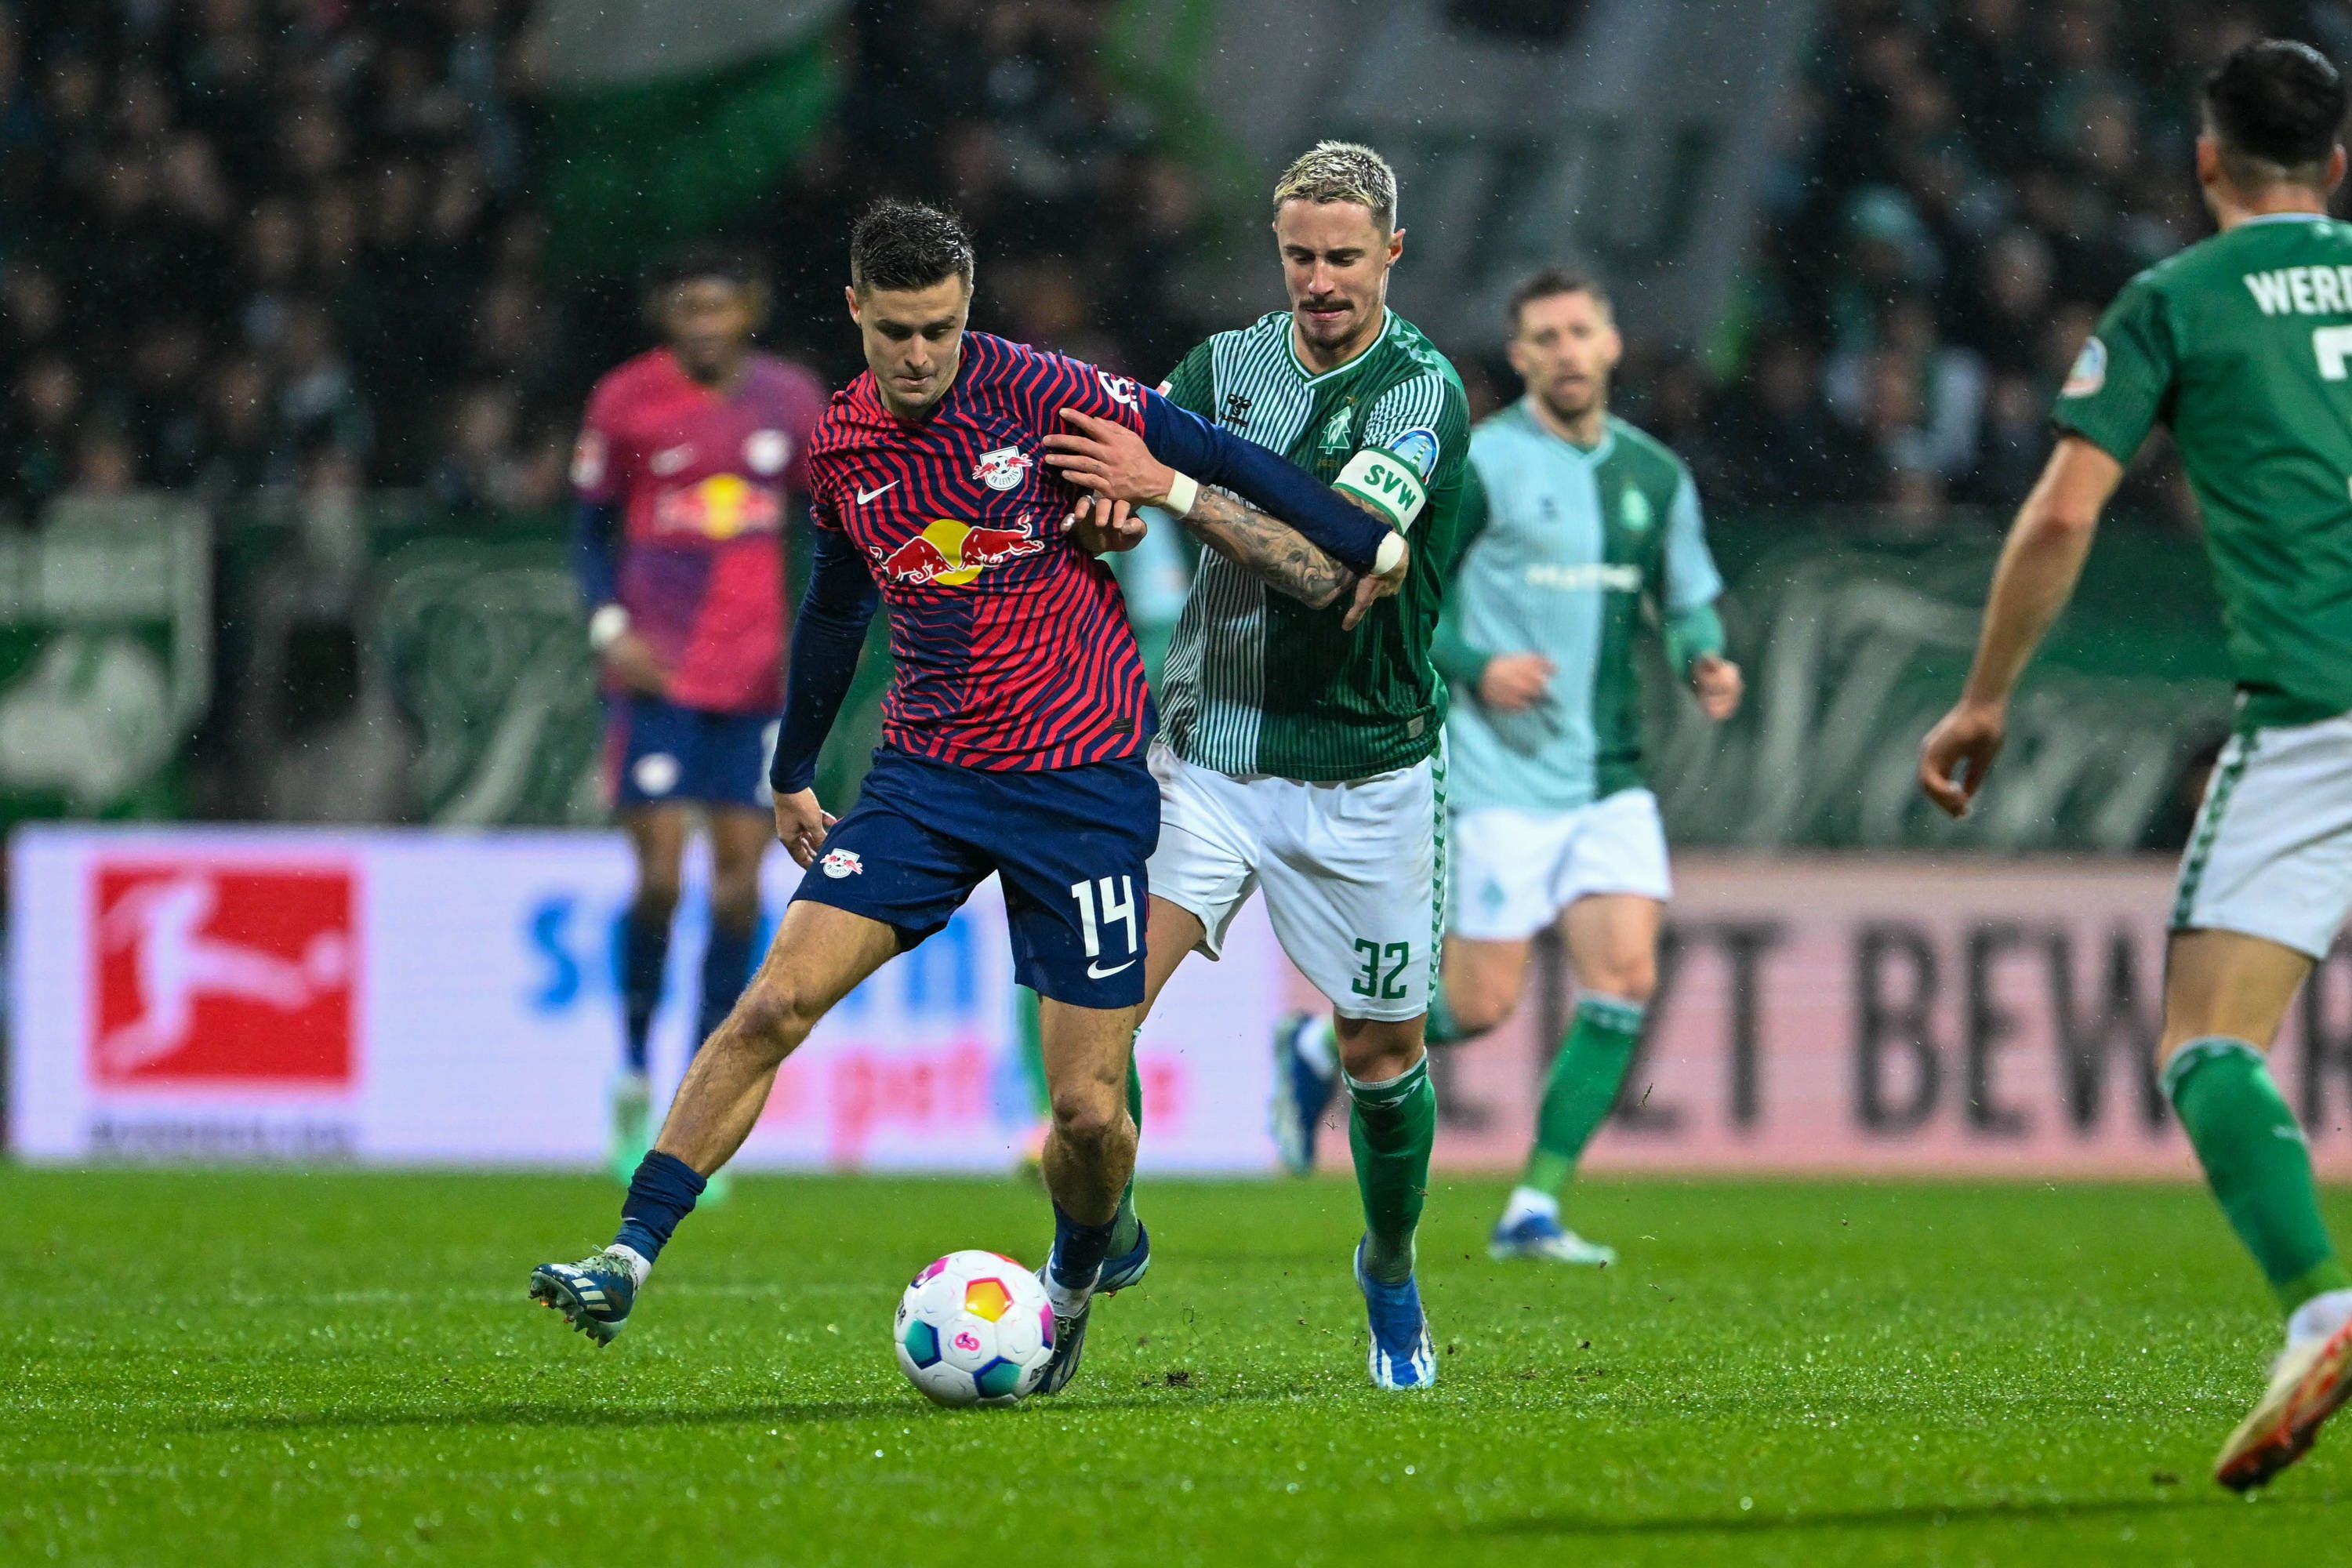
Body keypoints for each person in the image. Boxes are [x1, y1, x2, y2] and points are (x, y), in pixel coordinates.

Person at [530, 201, 1408, 1393]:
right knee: (771, 1006)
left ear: (967, 309)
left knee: (1090, 1118)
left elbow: (1218, 452)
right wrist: (793, 767)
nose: (917, 355)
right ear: (854, 310)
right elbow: (838, 606)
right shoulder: (837, 443)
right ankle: (627, 1254)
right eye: (894, 330)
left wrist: (1355, 531)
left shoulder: (1045, 390)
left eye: (939, 328)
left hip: (1081, 782)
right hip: (926, 781)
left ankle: (1084, 1269)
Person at [1919, 39, 2352, 1492]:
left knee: (2209, 1043)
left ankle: (2322, 1308)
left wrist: (1983, 700)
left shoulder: (2179, 301)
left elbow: (2058, 517)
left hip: (2316, 715)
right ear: (2339, 164)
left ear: (2209, 161)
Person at [1042, 141, 1472, 1389]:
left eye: (1345, 257)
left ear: (1393, 253)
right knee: (1087, 1070)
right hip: (1206, 769)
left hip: (1367, 773)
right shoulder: (1221, 370)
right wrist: (1106, 515)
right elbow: (1112, 493)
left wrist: (1171, 486)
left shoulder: (1418, 392)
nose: (1321, 280)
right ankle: (1080, 1268)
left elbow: (1330, 569)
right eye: (1300, 255)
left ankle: (1388, 1266)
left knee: (1381, 1058)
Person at [1330, 268, 1740, 1267]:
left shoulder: (1654, 476)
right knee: (1479, 1006)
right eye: (1544, 335)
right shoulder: (1483, 465)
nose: (1564, 349)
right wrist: (1477, 663)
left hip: (1609, 774)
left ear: (1610, 344)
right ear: (1519, 356)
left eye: (1579, 331)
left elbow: (1685, 596)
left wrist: (1702, 654)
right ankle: (1320, 1046)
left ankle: (1535, 1204)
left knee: (1628, 977)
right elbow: (1405, 590)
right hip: (1497, 778)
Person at [570, 247, 828, 1190]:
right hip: (656, 675)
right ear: (669, 313)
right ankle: (634, 1071)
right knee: (660, 880)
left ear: (747, 308)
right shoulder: (627, 400)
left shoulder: (791, 402)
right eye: (689, 306)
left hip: (752, 681)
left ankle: (696, 1100)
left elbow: (831, 519)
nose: (706, 323)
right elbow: (586, 529)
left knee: (733, 892)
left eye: (721, 306)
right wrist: (609, 626)